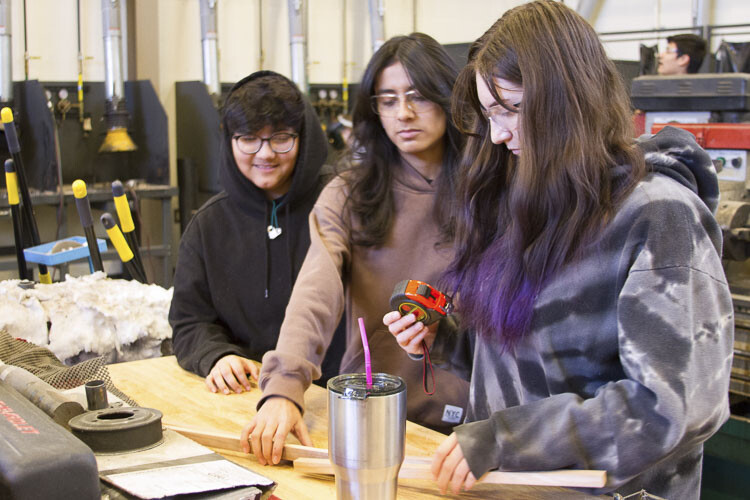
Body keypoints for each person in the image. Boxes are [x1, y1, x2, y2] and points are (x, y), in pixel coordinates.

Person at [385, 2, 733, 498]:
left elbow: (670, 407)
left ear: (569, 98)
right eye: (489, 114)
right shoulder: (531, 206)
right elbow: (530, 364)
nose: (499, 134)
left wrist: (506, 440)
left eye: (511, 109)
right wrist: (445, 338)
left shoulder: (658, 216)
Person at [240, 33, 470, 465]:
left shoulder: (490, 193)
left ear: (448, 99)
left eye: (418, 96)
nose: (403, 113)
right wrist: (285, 388)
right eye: (387, 100)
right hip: (370, 414)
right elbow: (316, 290)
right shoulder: (348, 195)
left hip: (468, 427)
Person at [169, 71, 344, 395]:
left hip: (336, 393)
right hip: (243, 393)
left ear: (302, 137)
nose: (265, 154)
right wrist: (217, 356)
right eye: (249, 139)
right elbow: (189, 322)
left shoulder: (340, 205)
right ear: (229, 140)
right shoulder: (208, 225)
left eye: (280, 138)